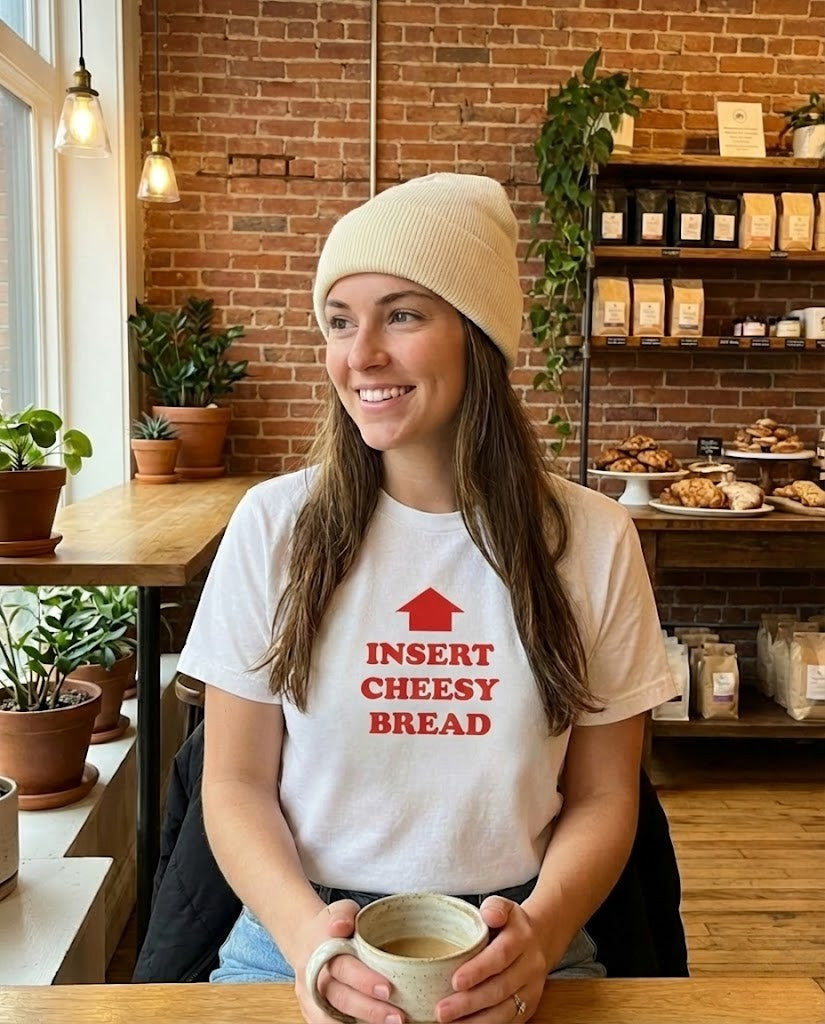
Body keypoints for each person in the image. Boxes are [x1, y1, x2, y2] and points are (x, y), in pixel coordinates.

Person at [176, 172, 676, 1024]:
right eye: (339, 322)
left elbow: (602, 796)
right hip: (300, 933)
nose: (360, 354)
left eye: (401, 315)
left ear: (476, 335)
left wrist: (544, 934)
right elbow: (231, 783)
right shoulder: (273, 524)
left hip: (514, 935)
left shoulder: (592, 538)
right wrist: (310, 944)